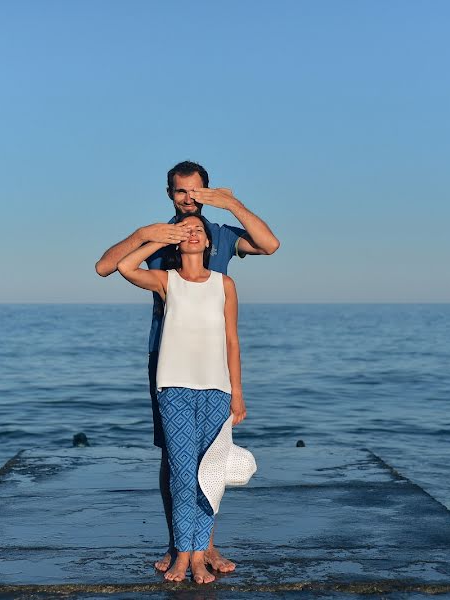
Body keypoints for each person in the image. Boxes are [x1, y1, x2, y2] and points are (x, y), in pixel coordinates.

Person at [95, 161, 279, 573]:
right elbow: (108, 267)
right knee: (174, 456)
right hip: (166, 359)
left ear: (207, 193)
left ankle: (204, 547)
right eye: (181, 192)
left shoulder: (221, 235)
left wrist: (231, 204)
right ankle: (179, 543)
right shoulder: (162, 238)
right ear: (169, 194)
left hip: (212, 366)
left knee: (209, 455)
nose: (189, 199)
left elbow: (269, 245)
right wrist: (144, 235)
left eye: (197, 192)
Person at [116, 213, 245, 583]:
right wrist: (158, 237)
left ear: (208, 243)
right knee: (182, 474)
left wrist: (237, 393)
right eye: (186, 230)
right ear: (178, 240)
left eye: (199, 230)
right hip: (173, 389)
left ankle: (201, 554)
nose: (193, 234)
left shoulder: (225, 284)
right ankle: (183, 554)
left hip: (217, 390)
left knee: (210, 477)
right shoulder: (165, 281)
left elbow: (232, 342)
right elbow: (125, 266)